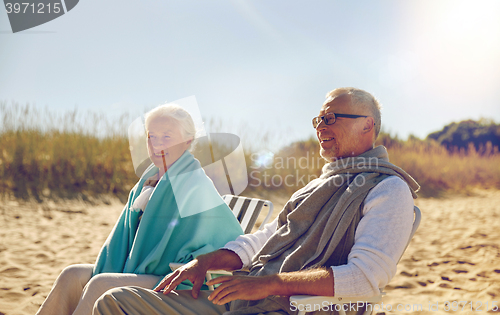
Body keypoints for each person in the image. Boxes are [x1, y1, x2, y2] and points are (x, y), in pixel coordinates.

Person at [92, 87, 420, 315]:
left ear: (367, 125)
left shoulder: (388, 190)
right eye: (318, 119)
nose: (321, 126)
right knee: (113, 300)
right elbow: (263, 240)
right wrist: (206, 261)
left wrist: (267, 286)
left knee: (114, 302)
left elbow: (363, 279)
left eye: (332, 117)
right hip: (245, 294)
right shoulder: (318, 186)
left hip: (290, 306)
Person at [36, 104, 244, 315]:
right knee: (71, 274)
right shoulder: (150, 179)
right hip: (137, 267)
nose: (156, 145)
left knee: (100, 284)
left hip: (170, 277)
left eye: (167, 137)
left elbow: (216, 234)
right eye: (151, 136)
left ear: (187, 140)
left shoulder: (193, 182)